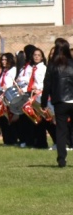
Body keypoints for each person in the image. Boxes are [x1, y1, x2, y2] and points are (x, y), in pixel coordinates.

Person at [42, 38, 73, 167]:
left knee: (61, 131)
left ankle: (61, 159)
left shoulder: (52, 66)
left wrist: (43, 103)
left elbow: (47, 85)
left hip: (60, 100)